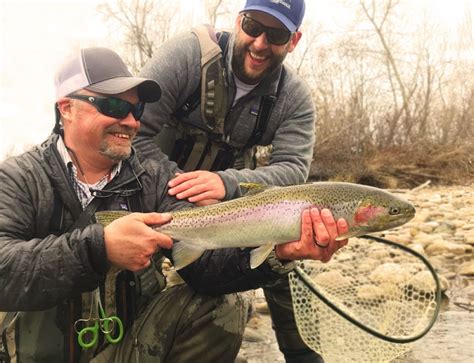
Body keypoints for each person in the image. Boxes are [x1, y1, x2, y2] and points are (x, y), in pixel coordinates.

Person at [0, 47, 348, 363]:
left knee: (226, 305)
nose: (131, 121)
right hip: (33, 355)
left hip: (128, 349)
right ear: (66, 109)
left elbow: (206, 267)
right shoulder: (17, 178)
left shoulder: (155, 178)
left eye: (136, 108)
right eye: (114, 105)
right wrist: (99, 249)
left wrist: (280, 254)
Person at [134, 0, 330, 361]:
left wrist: (227, 184)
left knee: (286, 250)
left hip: (224, 196)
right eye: (253, 27)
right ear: (238, 21)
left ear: (295, 40)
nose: (259, 43)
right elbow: (134, 134)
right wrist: (177, 188)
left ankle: (304, 356)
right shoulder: (186, 55)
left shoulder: (294, 97)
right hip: (154, 180)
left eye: (276, 35)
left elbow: (293, 172)